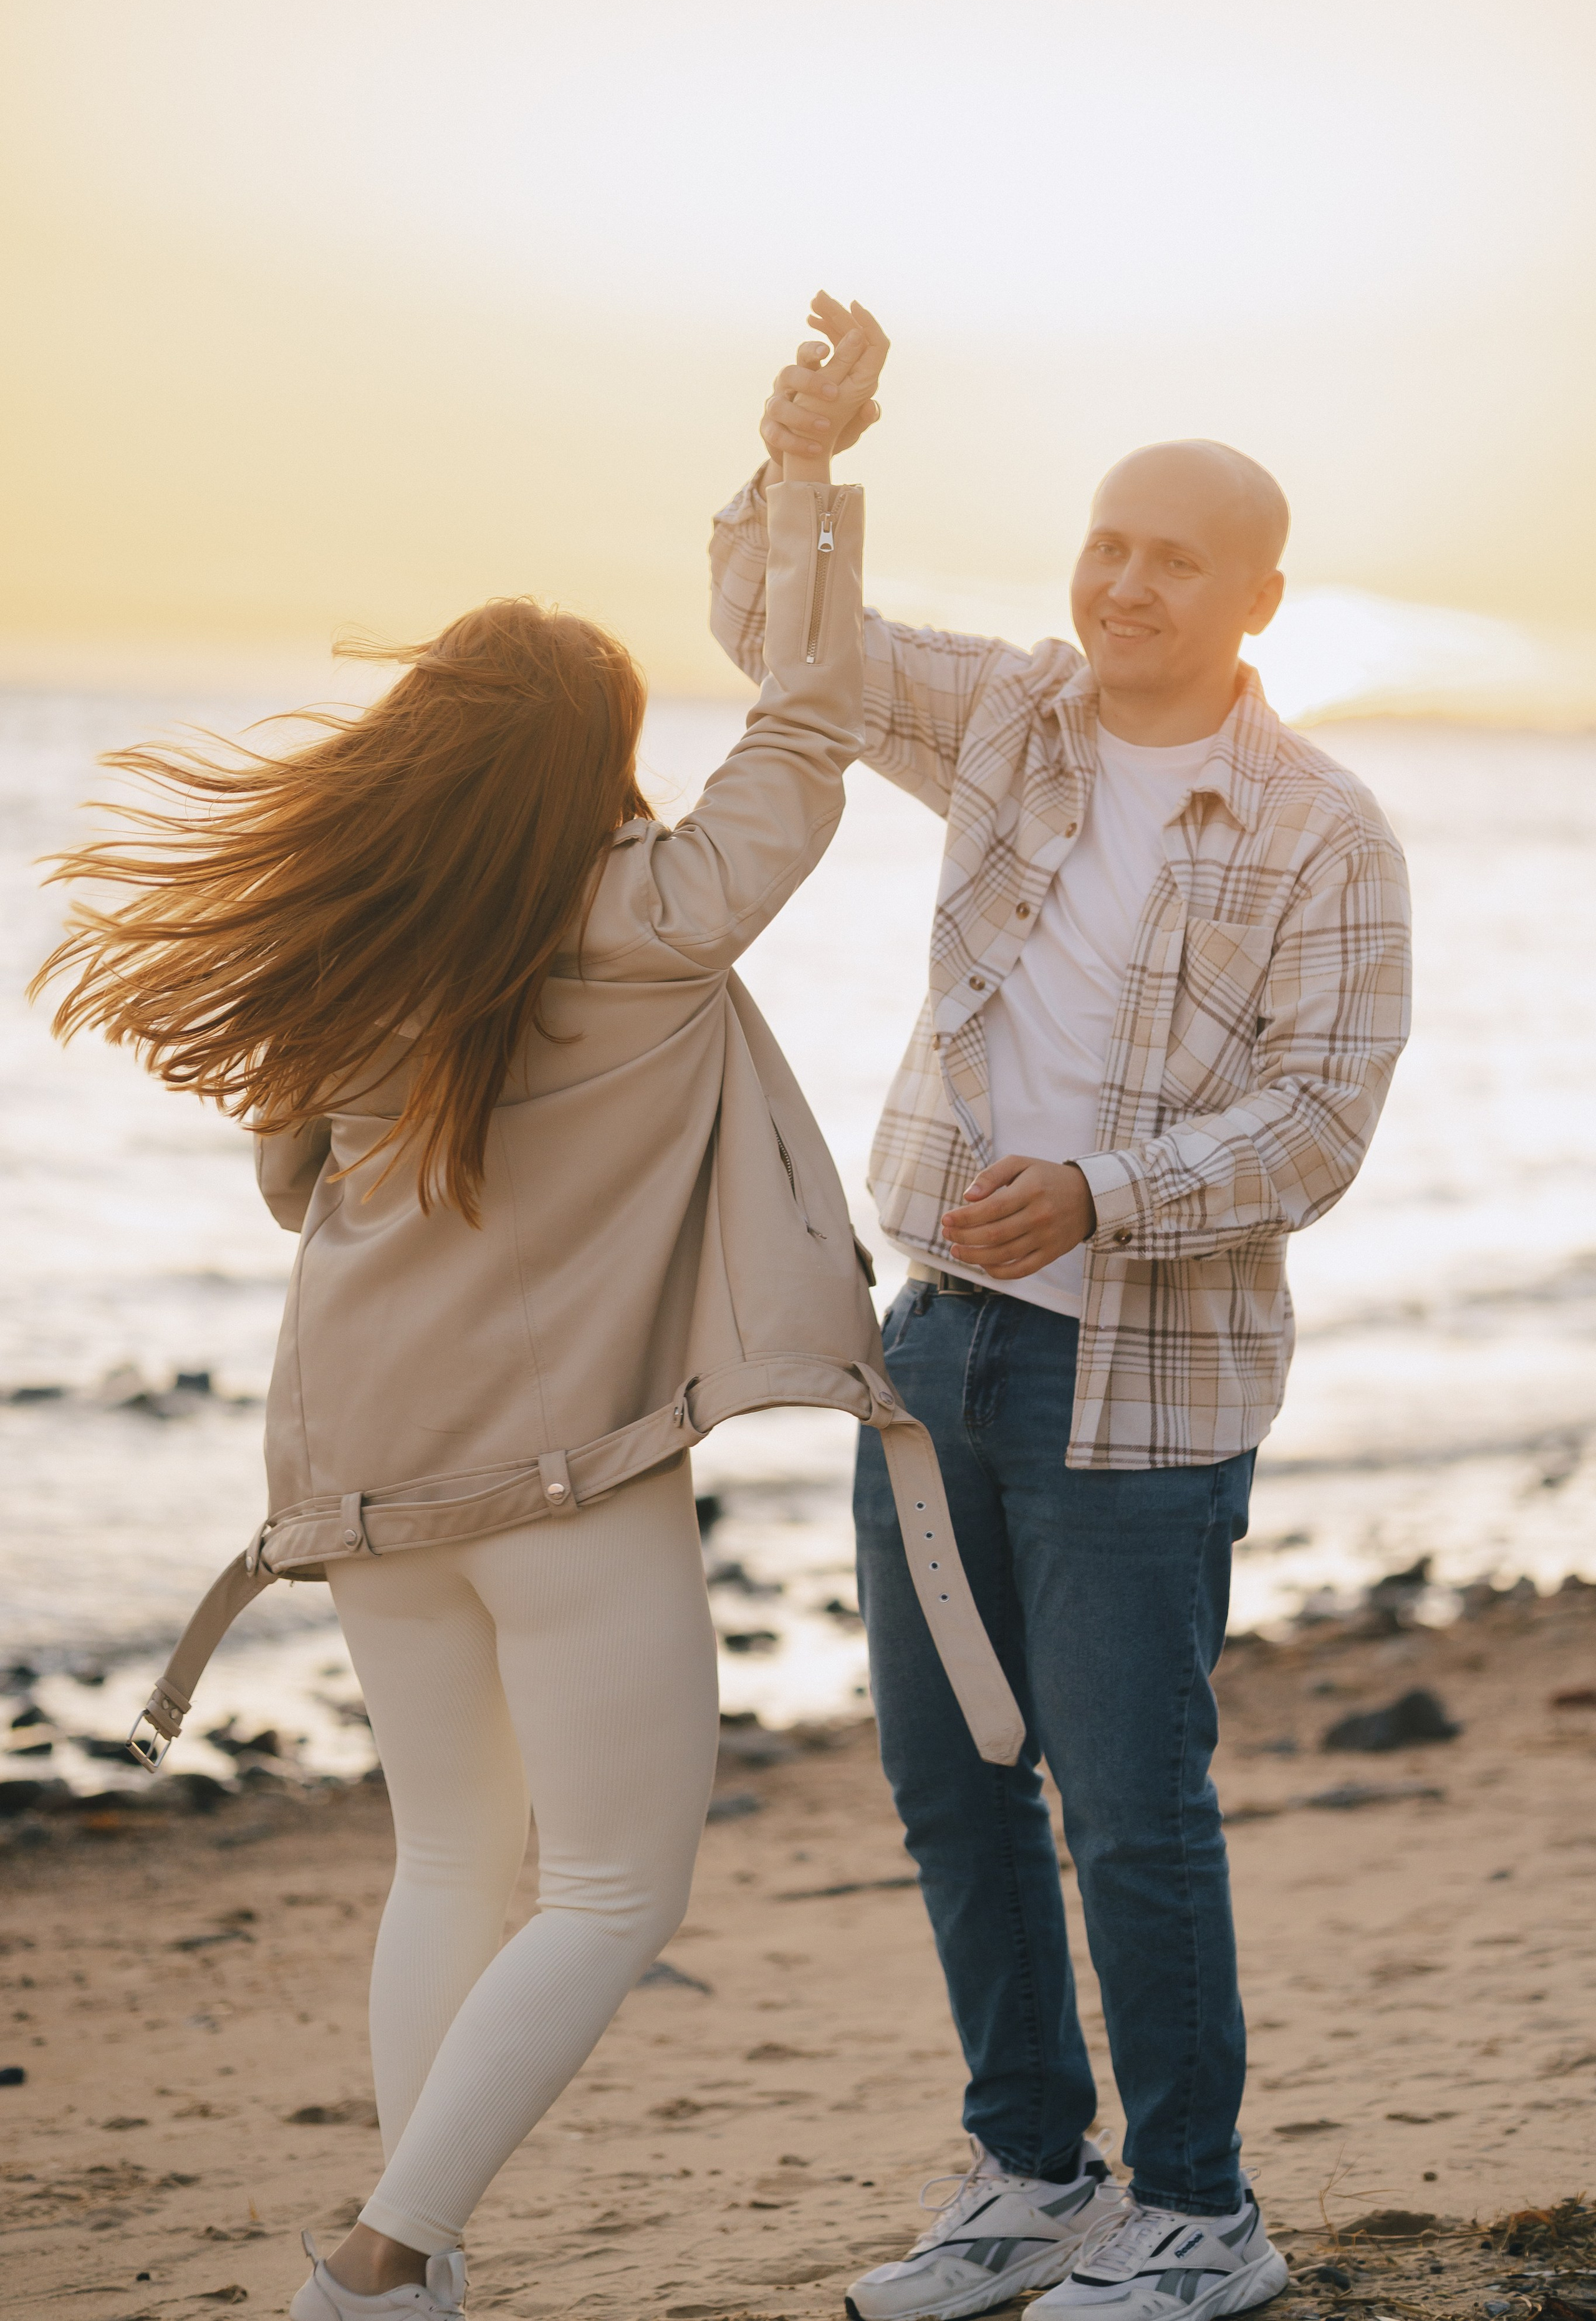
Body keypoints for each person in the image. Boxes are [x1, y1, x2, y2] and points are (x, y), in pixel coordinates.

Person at [34, 306, 1024, 2321]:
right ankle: (380, 2252)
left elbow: (297, 1186)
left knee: (452, 1868)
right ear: (590, 766)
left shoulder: (352, 958)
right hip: (559, 1468)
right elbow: (815, 723)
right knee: (610, 1886)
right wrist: (812, 467)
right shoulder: (647, 921)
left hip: (362, 1458)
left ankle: (414, 2280)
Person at [709, 303, 1413, 2321]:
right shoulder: (1013, 719)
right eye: (1106, 541)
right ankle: (1032, 2173)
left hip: (1150, 1384)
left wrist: (1107, 1192)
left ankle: (1199, 2209)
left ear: (1258, 596)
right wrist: (804, 457)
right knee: (949, 1786)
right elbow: (798, 649)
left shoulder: (1324, 833)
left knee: (1131, 1812)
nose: (1122, 582)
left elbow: (1318, 1128)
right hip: (938, 1347)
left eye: (1170, 555)